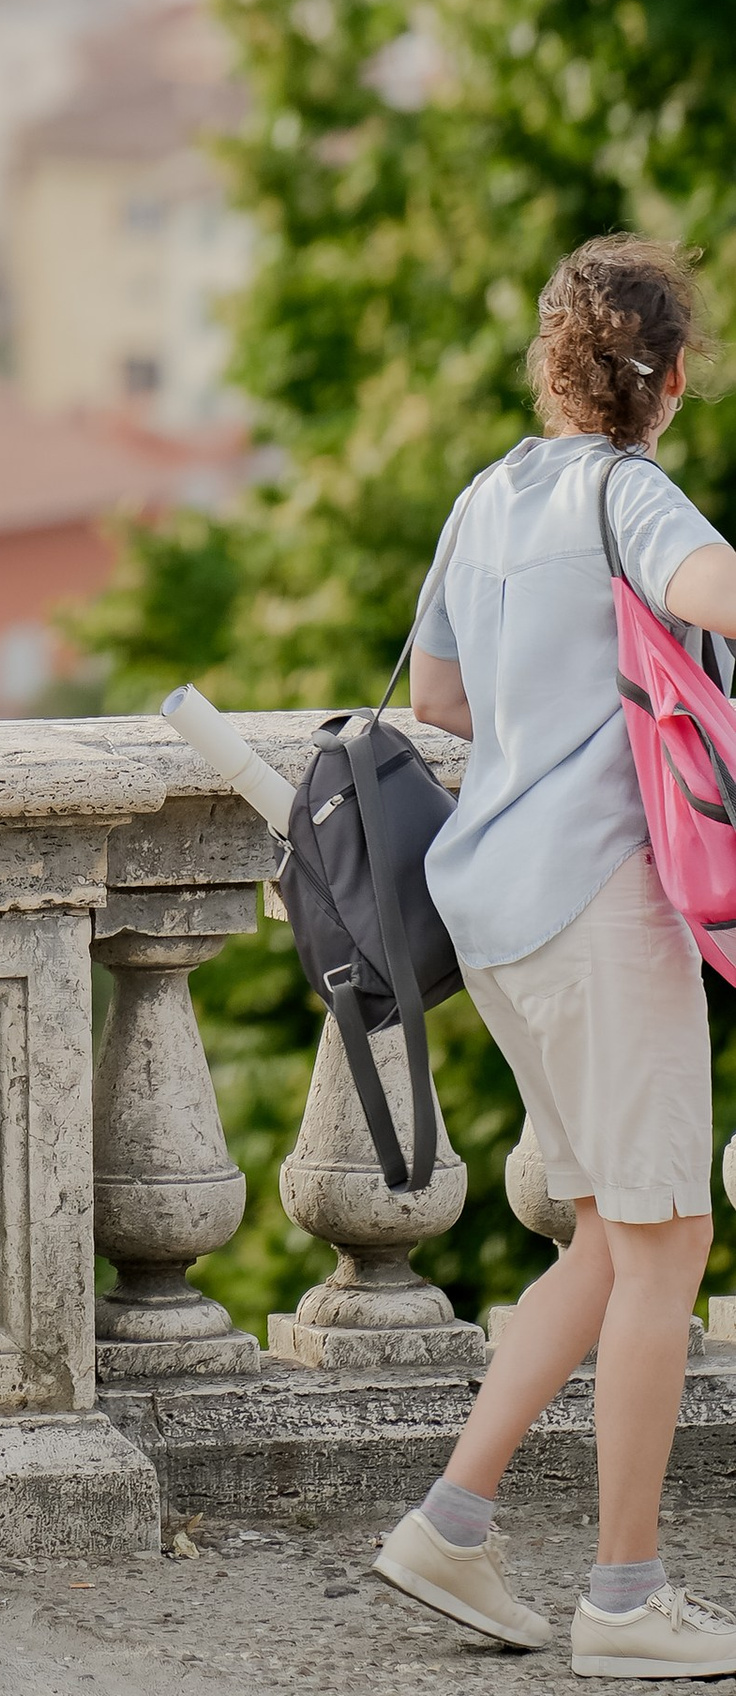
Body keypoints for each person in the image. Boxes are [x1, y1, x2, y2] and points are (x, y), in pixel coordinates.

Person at [373, 236, 736, 1679]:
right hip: (601, 905)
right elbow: (716, 588)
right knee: (669, 1249)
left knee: (603, 1238)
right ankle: (627, 1602)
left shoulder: (488, 496)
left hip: (498, 910)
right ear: (673, 378)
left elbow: (442, 696)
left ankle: (451, 1526)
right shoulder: (626, 494)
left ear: (552, 364)